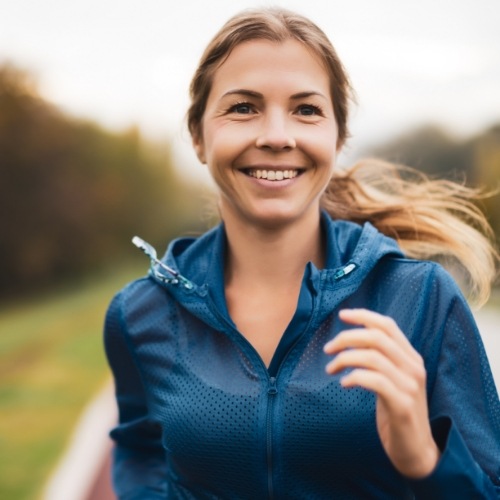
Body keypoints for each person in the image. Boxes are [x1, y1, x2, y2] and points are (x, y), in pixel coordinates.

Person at [104, 7, 500, 499]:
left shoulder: (419, 299)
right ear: (198, 137)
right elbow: (140, 451)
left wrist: (423, 458)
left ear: (337, 137)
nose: (276, 135)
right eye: (243, 107)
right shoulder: (140, 314)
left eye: (306, 109)